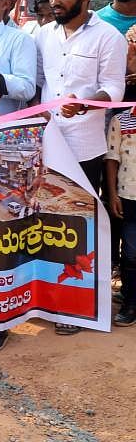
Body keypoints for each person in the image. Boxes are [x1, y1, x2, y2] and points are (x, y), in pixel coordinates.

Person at [34, 0, 126, 335]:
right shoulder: (42, 36)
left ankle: (76, 303)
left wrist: (89, 103)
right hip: (46, 142)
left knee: (78, 225)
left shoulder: (107, 37)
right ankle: (49, 297)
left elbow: (114, 89)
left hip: (85, 145)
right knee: (46, 220)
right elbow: (38, 84)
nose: (55, 2)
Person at [105, 108, 136, 328]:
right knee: (131, 255)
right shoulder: (121, 120)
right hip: (129, 197)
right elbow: (112, 159)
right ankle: (130, 303)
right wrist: (113, 194)